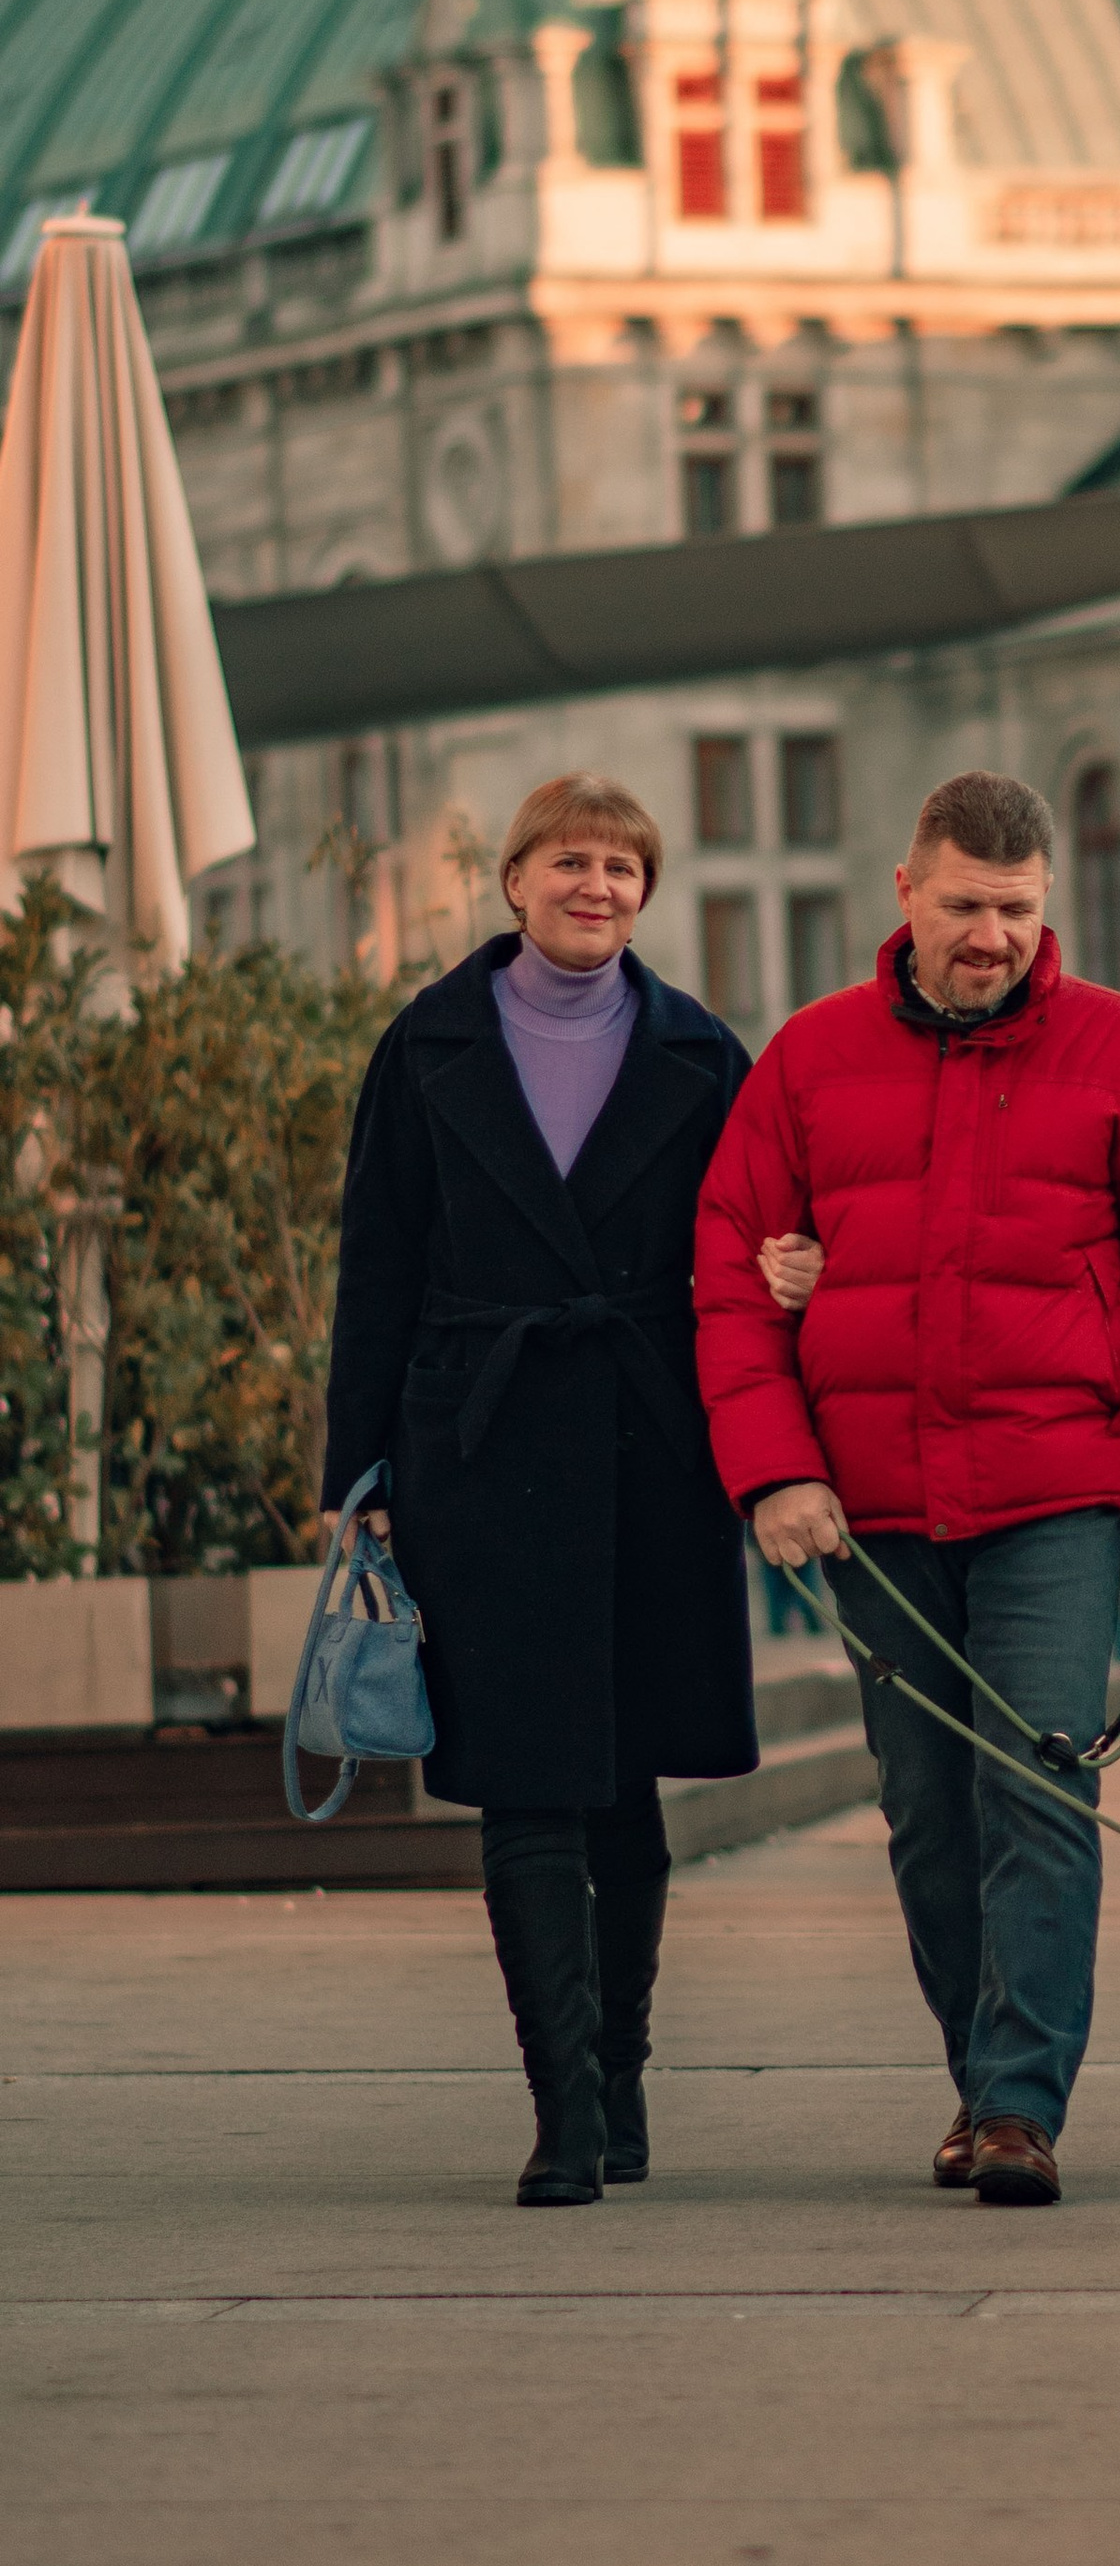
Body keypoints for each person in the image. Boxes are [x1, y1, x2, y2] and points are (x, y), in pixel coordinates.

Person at [693, 770, 1120, 2210]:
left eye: (1014, 910)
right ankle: (977, 2073)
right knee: (927, 1811)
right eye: (964, 908)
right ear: (906, 894)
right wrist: (772, 1469)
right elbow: (731, 1276)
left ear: (1045, 903)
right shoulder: (807, 1065)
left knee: (1039, 1789)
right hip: (866, 1510)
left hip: (1058, 1500)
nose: (990, 935)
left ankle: (1016, 2104)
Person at [322, 775, 756, 2207]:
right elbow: (376, 1262)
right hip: (481, 1449)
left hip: (651, 1442)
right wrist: (363, 1471)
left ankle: (620, 2067)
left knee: (624, 1788)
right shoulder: (427, 1041)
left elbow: (758, 1240)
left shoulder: (702, 1051)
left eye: (625, 869)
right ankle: (562, 2104)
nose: (599, 888)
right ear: (513, 880)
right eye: (572, 862)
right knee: (524, 1783)